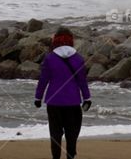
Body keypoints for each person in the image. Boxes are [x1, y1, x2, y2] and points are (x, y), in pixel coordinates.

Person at [34, 27, 92, 159]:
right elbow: (82, 81)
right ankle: (71, 156)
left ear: (55, 40)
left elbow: (43, 80)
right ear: (71, 41)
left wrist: (38, 97)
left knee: (55, 134)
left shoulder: (49, 58)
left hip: (53, 102)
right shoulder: (78, 59)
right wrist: (87, 98)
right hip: (73, 102)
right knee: (72, 134)